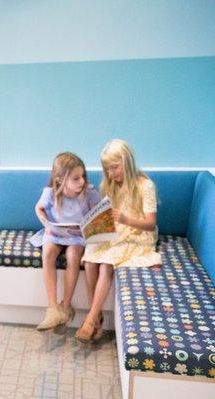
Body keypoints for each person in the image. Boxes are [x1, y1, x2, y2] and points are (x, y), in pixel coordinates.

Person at [76, 139, 162, 343]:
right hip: (118, 230)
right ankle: (96, 315)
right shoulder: (111, 184)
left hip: (138, 233)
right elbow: (109, 213)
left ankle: (90, 319)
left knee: (106, 264)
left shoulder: (145, 185)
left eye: (114, 167)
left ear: (128, 162)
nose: (111, 173)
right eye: (107, 169)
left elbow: (150, 224)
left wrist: (124, 219)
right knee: (89, 259)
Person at [31, 152, 100, 331]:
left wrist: (91, 225)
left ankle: (66, 306)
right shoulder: (51, 193)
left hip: (77, 236)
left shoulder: (89, 193)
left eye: (82, 176)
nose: (81, 182)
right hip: (55, 233)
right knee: (47, 253)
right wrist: (46, 224)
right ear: (61, 179)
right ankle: (53, 308)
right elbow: (38, 208)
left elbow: (98, 216)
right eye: (76, 178)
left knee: (73, 254)